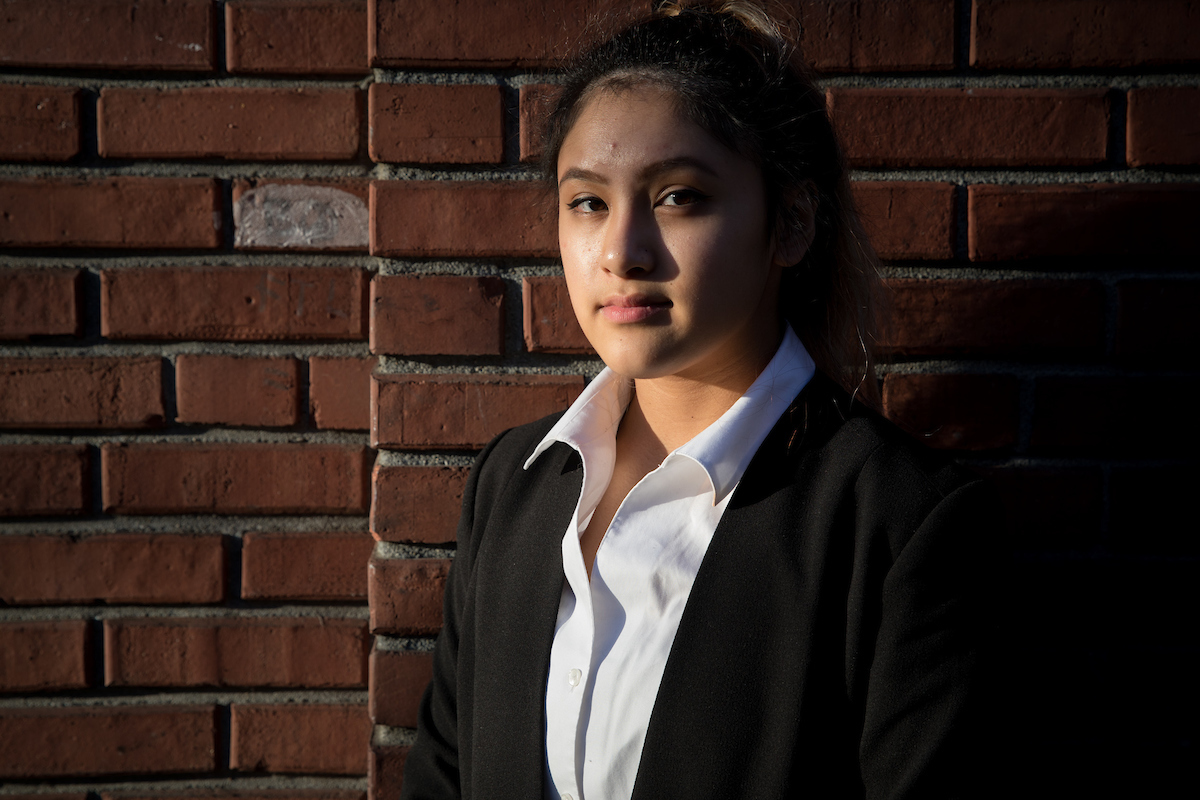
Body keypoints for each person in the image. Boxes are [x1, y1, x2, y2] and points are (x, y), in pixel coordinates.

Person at [399, 2, 998, 798]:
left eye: (678, 197)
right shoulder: (512, 485)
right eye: (588, 202)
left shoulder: (898, 523)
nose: (621, 251)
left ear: (789, 224)